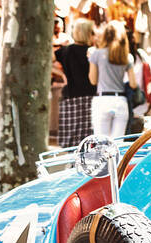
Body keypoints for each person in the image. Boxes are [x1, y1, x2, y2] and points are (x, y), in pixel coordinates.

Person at [88, 21, 135, 138]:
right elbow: (133, 84)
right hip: (120, 101)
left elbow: (93, 80)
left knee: (101, 143)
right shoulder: (127, 57)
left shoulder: (96, 54)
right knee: (118, 144)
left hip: (102, 100)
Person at [54, 19, 96, 148]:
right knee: (89, 140)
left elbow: (47, 61)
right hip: (90, 97)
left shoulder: (65, 50)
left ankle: (72, 165)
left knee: (71, 139)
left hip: (70, 97)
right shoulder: (91, 52)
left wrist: (61, 74)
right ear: (87, 33)